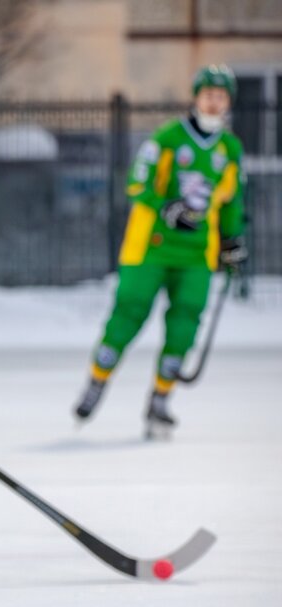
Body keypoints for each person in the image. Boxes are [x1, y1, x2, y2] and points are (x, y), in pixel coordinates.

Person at [73, 64, 245, 437]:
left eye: (221, 96)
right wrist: (167, 207)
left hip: (197, 252)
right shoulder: (168, 137)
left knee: (185, 323)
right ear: (196, 97)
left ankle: (161, 400)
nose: (214, 103)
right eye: (208, 95)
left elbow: (231, 201)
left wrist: (231, 241)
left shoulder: (230, 149)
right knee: (128, 314)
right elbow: (137, 182)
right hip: (150, 247)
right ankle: (98, 380)